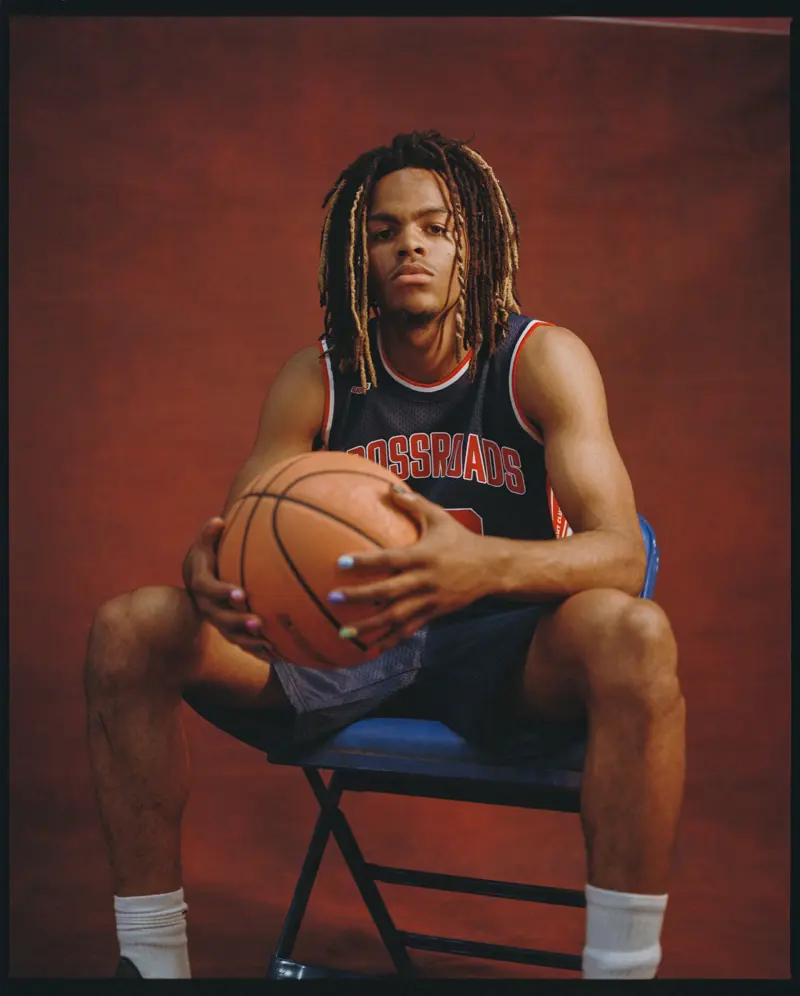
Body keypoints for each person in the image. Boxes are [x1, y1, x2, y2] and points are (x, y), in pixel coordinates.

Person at [84, 130, 685, 981]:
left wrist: (479, 569)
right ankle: (151, 967)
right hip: (341, 646)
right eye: (385, 230)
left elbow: (621, 555)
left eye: (437, 228)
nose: (411, 245)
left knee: (637, 635)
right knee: (130, 628)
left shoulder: (541, 360)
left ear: (477, 246)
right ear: (355, 255)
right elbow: (236, 534)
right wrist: (207, 575)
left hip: (506, 649)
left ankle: (623, 975)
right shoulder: (318, 376)